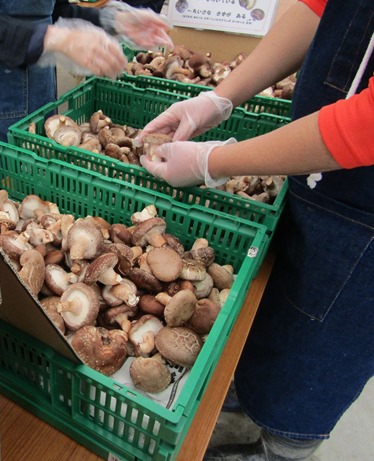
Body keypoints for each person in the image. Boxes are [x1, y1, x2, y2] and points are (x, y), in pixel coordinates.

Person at [138, 0, 373, 460]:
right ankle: (247, 401)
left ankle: (284, 449)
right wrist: (219, 99)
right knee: (281, 309)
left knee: (322, 351)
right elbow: (321, 9)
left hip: (366, 211)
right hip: (313, 167)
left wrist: (214, 161)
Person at [0, 0, 172, 166]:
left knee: (35, 181)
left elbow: (53, 9)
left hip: (34, 82)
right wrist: (52, 39)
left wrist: (111, 21)